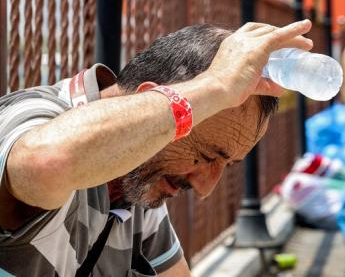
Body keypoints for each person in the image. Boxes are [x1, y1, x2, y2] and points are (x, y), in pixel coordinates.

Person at [0, 21, 312, 276]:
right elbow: (45, 163)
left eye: (225, 165)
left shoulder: (136, 176)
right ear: (152, 102)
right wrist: (217, 84)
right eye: (205, 156)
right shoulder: (36, 115)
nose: (205, 187)